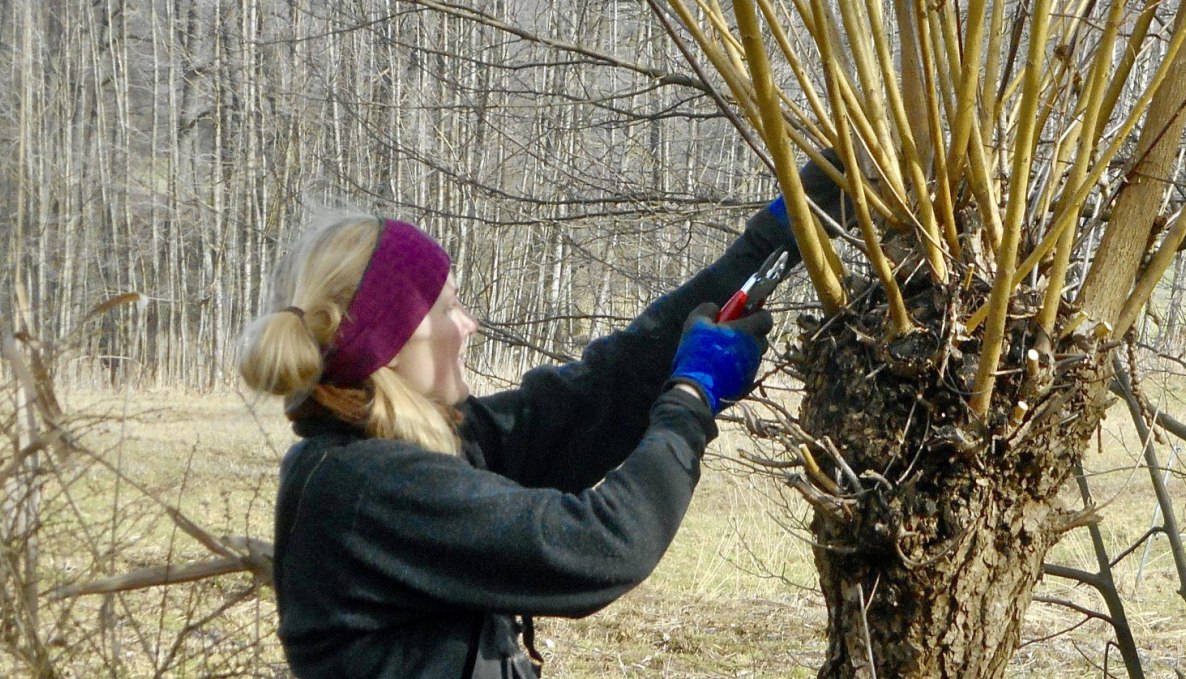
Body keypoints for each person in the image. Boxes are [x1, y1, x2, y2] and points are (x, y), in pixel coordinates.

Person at [237, 155, 846, 678]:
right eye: (448, 310)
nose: (468, 325)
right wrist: (691, 399)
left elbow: (598, 392)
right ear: (390, 347)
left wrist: (777, 237)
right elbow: (602, 544)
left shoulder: (407, 449)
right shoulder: (368, 491)